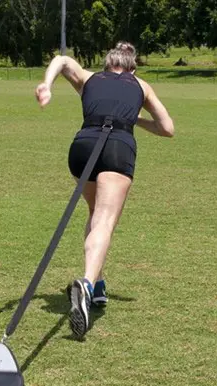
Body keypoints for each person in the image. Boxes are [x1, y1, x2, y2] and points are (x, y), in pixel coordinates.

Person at [35, 41, 174, 340]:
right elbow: (167, 128)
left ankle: (97, 284)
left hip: (82, 147)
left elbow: (61, 60)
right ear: (132, 66)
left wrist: (46, 85)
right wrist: (133, 117)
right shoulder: (141, 85)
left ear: (107, 62)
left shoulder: (89, 77)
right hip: (117, 148)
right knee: (105, 221)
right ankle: (86, 283)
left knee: (94, 213)